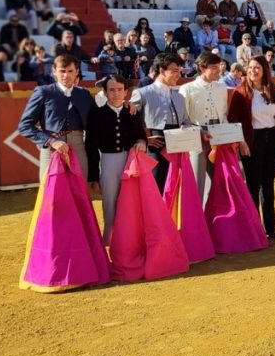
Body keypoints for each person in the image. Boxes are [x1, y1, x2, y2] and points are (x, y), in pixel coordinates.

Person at [227, 56, 275, 238]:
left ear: (264, 70)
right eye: (251, 67)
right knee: (253, 185)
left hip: (272, 139)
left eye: (257, 68)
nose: (253, 71)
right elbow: (233, 119)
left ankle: (270, 227)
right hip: (252, 141)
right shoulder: (240, 92)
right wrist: (241, 141)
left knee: (268, 184)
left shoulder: (274, 90)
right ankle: (254, 227)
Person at [84, 75, 148, 243]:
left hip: (130, 162)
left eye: (120, 90)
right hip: (108, 161)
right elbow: (90, 146)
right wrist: (93, 177)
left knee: (131, 200)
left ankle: (130, 238)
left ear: (126, 92)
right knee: (110, 201)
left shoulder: (132, 111)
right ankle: (110, 239)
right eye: (111, 90)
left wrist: (142, 141)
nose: (116, 94)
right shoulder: (96, 114)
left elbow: (141, 135)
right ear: (104, 92)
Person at [17, 54, 95, 183]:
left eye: (70, 71)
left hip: (78, 148)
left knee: (80, 191)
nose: (66, 75)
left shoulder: (83, 94)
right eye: (62, 71)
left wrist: (124, 104)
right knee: (52, 193)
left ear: (77, 72)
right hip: (52, 149)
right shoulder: (44, 92)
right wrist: (51, 141)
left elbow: (98, 118)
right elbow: (24, 126)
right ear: (54, 72)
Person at [131, 52, 192, 189]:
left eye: (180, 71)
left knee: (175, 189)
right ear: (162, 70)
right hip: (154, 148)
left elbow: (186, 121)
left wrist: (189, 129)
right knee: (155, 188)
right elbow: (130, 122)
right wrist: (143, 139)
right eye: (175, 71)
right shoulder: (142, 93)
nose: (179, 75)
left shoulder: (179, 96)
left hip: (177, 148)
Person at [180, 52, 229, 201]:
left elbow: (224, 114)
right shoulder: (187, 89)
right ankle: (196, 222)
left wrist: (228, 136)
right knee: (196, 182)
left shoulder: (222, 87)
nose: (218, 70)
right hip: (196, 139)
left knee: (220, 182)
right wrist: (199, 131)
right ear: (202, 68)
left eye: (219, 67)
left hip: (218, 138)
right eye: (213, 67)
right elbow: (184, 120)